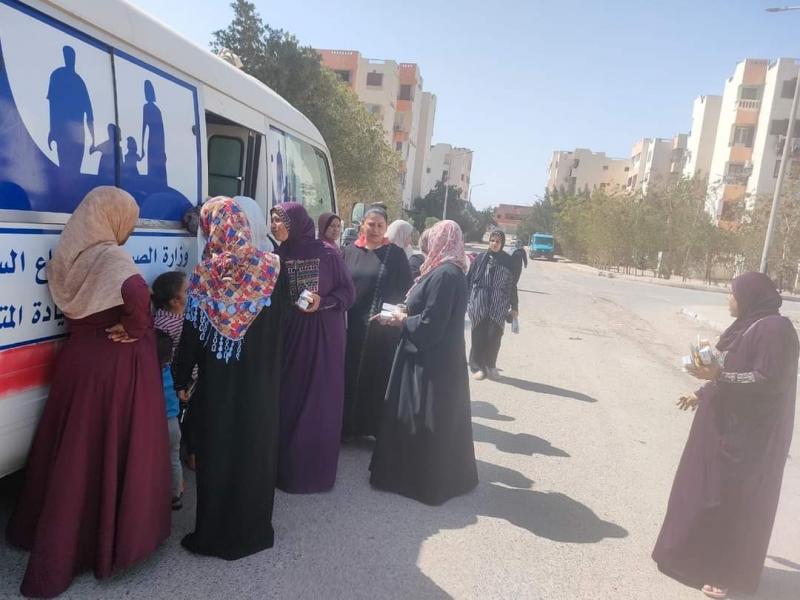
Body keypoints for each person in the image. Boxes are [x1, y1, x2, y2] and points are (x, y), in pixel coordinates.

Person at [5, 187, 170, 598]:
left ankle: (41, 532)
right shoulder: (111, 256)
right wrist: (135, 328)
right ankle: (95, 542)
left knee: (71, 451)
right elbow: (137, 293)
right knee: (97, 453)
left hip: (77, 360)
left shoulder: (71, 252)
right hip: (110, 364)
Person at [652, 272, 799, 599]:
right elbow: (732, 366)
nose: (727, 300)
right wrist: (703, 390)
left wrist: (720, 374)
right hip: (722, 429)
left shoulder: (776, 330)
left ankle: (725, 573)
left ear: (749, 296)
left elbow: (767, 381)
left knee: (731, 501)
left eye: (731, 294)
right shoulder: (750, 324)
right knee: (702, 493)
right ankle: (690, 560)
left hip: (747, 438)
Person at [172, 197, 284, 560]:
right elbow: (286, 328)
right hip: (262, 384)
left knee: (219, 451)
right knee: (254, 449)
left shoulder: (206, 274)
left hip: (219, 385)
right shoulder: (272, 267)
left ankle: (214, 534)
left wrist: (180, 378)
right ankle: (254, 530)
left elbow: (191, 336)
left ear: (211, 228)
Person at [369, 220, 478, 505]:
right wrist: (407, 309)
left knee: (421, 419)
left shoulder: (445, 274)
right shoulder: (446, 270)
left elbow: (431, 326)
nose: (426, 246)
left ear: (442, 242)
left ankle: (415, 478)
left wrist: (403, 319)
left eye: (431, 241)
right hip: (437, 360)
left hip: (428, 363)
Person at [270, 203, 355, 493]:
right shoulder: (277, 256)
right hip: (289, 337)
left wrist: (323, 302)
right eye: (271, 221)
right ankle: (284, 470)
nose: (274, 226)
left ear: (294, 223)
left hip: (322, 337)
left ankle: (313, 473)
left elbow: (347, 293)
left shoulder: (328, 253)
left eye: (279, 221)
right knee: (289, 398)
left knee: (319, 400)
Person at [342, 205, 413, 439]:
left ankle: (368, 429)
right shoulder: (349, 251)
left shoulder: (395, 254)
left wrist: (391, 314)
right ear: (362, 224)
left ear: (386, 228)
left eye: (380, 225)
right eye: (370, 224)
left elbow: (405, 291)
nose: (374, 229)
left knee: (375, 377)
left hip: (380, 330)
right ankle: (345, 429)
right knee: (347, 375)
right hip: (350, 328)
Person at [466, 229, 519, 380]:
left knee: (494, 336)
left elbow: (512, 285)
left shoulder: (508, 262)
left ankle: (490, 365)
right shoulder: (480, 258)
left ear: (502, 243)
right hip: (480, 302)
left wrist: (514, 307)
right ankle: (477, 367)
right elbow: (469, 279)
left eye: (497, 241)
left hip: (499, 303)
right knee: (478, 335)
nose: (494, 244)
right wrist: (467, 300)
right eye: (492, 240)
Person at [156, 329, 184, 510]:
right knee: (173, 459)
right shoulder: (169, 372)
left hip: (159, 426)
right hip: (174, 424)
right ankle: (176, 495)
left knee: (156, 461)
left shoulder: (150, 376)